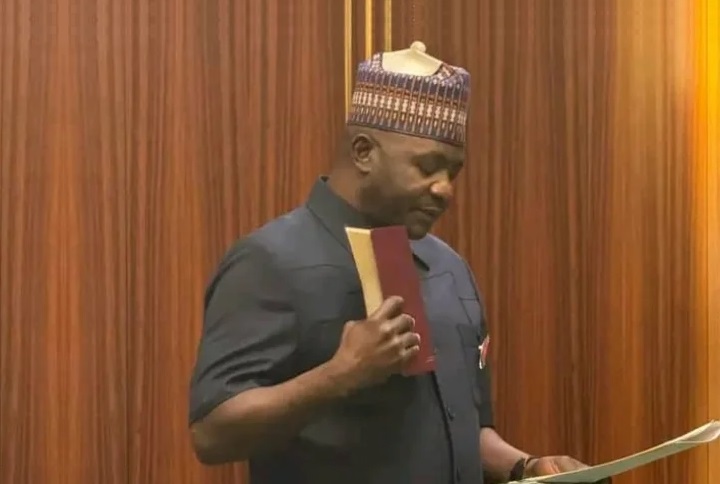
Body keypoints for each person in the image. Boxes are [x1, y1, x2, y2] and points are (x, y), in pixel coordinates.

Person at [188, 45, 593, 484]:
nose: (445, 190)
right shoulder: (270, 262)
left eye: (452, 172)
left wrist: (526, 467)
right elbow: (212, 434)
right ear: (364, 152)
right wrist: (338, 376)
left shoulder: (449, 269)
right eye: (427, 167)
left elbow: (461, 429)